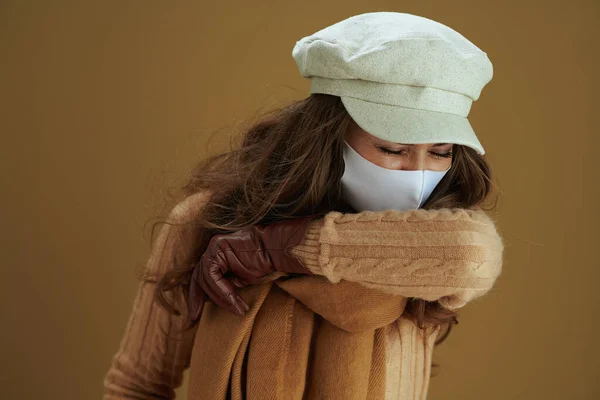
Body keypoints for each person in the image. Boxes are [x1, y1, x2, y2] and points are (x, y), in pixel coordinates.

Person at [103, 11, 504, 400]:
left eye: (440, 152)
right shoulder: (207, 221)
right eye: (392, 147)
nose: (417, 173)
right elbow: (137, 385)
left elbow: (471, 254)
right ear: (329, 133)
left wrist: (275, 248)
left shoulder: (436, 241)